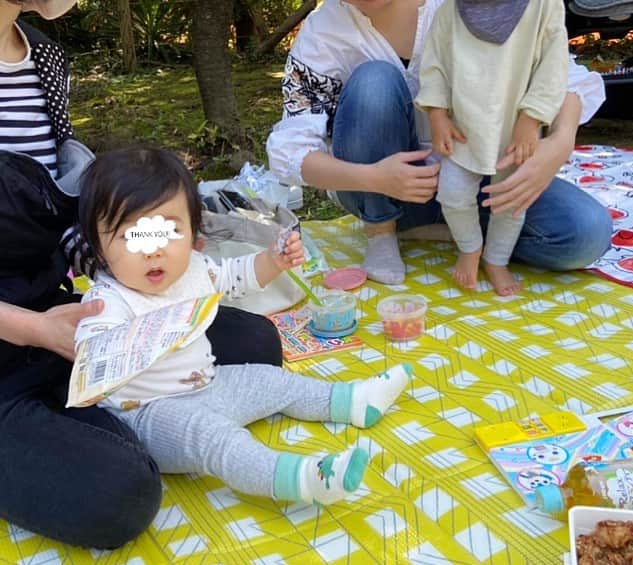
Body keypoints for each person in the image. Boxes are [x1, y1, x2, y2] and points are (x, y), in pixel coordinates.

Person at [0, 0, 282, 549]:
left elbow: (60, 214)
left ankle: (125, 417)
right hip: (20, 340)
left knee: (255, 343)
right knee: (120, 495)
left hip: (63, 322)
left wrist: (143, 252)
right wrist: (34, 329)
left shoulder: (44, 59)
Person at [75, 147, 413, 507]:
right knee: (218, 439)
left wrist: (274, 259)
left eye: (168, 232)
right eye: (132, 237)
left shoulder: (194, 269)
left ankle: (352, 402)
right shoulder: (108, 300)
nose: (154, 251)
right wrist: (99, 369)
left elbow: (238, 277)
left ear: (194, 233)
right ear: (99, 247)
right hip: (148, 414)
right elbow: (90, 351)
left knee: (271, 380)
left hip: (209, 386)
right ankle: (301, 479)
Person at [266, 0, 612, 286]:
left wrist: (561, 142)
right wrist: (374, 178)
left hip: (480, 175)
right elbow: (290, 152)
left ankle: (456, 234)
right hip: (387, 192)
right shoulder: (324, 32)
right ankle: (382, 232)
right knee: (374, 82)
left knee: (585, 233)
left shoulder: (457, 5)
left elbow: (563, 76)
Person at [415, 0, 568, 295]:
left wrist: (532, 117)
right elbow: (434, 65)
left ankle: (496, 260)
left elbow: (554, 65)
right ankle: (470, 247)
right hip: (464, 129)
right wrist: (437, 115)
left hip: (517, 131)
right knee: (452, 193)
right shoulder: (451, 10)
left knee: (510, 202)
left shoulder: (543, 5)